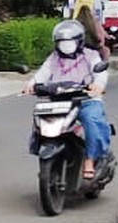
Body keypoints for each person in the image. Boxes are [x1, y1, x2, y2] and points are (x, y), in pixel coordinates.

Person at [26, 19, 111, 179]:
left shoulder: (90, 55)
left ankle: (90, 159)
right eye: (62, 42)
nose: (65, 46)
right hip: (59, 102)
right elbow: (41, 74)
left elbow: (100, 73)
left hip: (86, 100)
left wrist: (97, 85)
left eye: (69, 42)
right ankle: (45, 150)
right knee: (41, 119)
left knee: (91, 120)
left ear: (79, 41)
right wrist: (31, 84)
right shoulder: (54, 58)